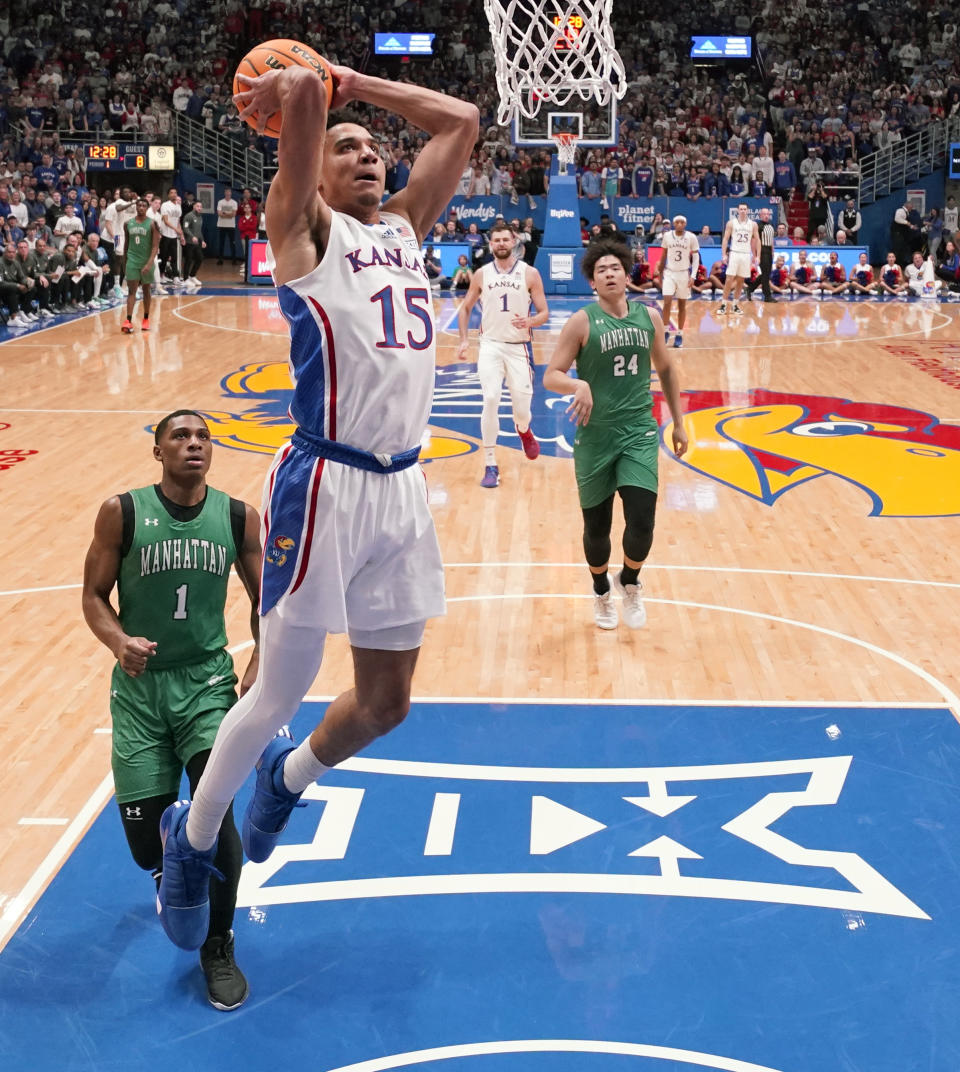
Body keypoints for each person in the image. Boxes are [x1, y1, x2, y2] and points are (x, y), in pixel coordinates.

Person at [155, 58, 478, 952]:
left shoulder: (409, 230)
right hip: (323, 482)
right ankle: (190, 844)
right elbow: (299, 101)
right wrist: (309, 84)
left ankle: (286, 781)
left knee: (386, 703)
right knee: (276, 690)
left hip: (402, 487)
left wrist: (353, 83)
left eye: (375, 148)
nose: (369, 155)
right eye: (347, 148)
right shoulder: (302, 234)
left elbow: (461, 116)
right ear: (311, 174)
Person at [81, 410, 262, 1010]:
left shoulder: (237, 517)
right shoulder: (123, 512)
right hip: (139, 693)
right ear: (156, 450)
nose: (193, 445)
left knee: (216, 814)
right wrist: (117, 640)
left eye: (203, 437)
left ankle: (219, 943)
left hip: (207, 683)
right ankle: (170, 872)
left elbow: (269, 600)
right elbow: (92, 596)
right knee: (145, 849)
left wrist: (262, 658)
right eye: (179, 437)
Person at [543, 238, 688, 630]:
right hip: (595, 436)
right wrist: (578, 386)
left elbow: (667, 369)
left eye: (615, 268)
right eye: (600, 270)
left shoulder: (650, 318)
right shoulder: (582, 321)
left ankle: (630, 580)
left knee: (642, 521)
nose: (609, 274)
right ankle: (601, 592)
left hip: (639, 431)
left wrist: (679, 421)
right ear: (592, 281)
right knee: (597, 528)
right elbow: (551, 375)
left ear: (627, 275)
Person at [456, 221, 549, 487]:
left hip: (519, 347)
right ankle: (490, 464)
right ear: (490, 244)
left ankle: (523, 430)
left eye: (505, 240)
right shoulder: (482, 274)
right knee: (490, 398)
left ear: (514, 241)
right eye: (496, 240)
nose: (500, 244)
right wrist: (464, 340)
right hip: (490, 345)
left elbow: (544, 312)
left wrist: (531, 322)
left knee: (522, 410)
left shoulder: (530, 274)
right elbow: (464, 309)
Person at [656, 213, 698, 348]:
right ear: (674, 224)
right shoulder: (667, 236)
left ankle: (679, 334)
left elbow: (696, 258)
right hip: (669, 272)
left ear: (685, 224)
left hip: (684, 274)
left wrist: (693, 276)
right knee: (667, 302)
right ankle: (666, 331)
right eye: (677, 222)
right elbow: (663, 256)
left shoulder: (691, 237)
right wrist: (660, 273)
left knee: (681, 305)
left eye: (682, 222)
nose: (679, 224)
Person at [121, 198, 160, 334]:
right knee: (132, 291)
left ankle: (146, 318)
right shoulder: (128, 224)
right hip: (132, 260)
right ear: (136, 207)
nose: (141, 207)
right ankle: (128, 320)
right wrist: (125, 261)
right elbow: (126, 244)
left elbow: (155, 246)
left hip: (146, 261)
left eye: (144, 205)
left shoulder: (152, 224)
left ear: (147, 207)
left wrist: (149, 263)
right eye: (139, 205)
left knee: (146, 290)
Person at [719, 202, 759, 316]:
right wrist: (724, 254)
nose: (742, 211)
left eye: (744, 209)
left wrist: (756, 255)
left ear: (747, 211)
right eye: (741, 209)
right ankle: (723, 304)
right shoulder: (731, 223)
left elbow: (757, 240)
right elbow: (725, 239)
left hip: (746, 254)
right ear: (738, 210)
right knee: (729, 279)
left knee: (741, 281)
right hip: (734, 253)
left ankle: (735, 305)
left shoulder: (753, 224)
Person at [215, 187, 241, 264]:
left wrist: (225, 213)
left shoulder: (234, 202)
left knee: (232, 243)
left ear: (231, 193)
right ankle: (220, 259)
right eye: (226, 192)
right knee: (221, 243)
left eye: (229, 192)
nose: (227, 193)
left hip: (231, 226)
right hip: (221, 225)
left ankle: (234, 260)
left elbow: (234, 214)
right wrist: (229, 214)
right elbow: (219, 213)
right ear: (224, 193)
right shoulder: (220, 202)